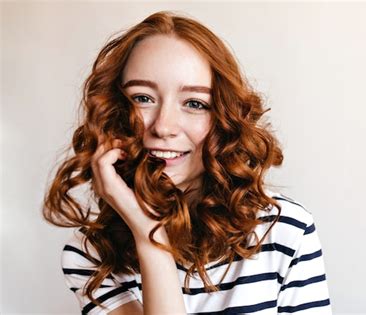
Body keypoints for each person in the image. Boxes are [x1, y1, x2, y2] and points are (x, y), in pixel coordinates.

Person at [43, 11, 332, 314]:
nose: (164, 126)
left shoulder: (286, 230)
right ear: (114, 111)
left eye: (194, 103)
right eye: (142, 98)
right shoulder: (89, 255)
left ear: (223, 119)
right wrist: (149, 236)